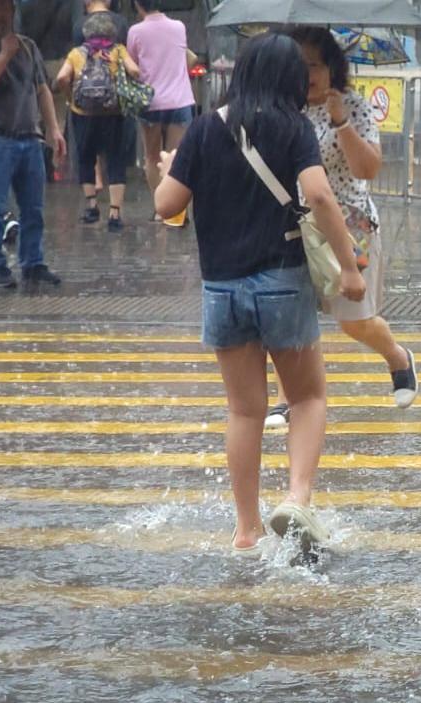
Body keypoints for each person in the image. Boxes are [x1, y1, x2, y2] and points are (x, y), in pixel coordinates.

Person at [155, 32, 366, 557]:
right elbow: (317, 193)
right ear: (290, 79)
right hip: (280, 282)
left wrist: (167, 170)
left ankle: (245, 530)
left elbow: (165, 205)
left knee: (245, 412)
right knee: (308, 397)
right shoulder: (292, 127)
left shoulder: (204, 129)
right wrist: (349, 266)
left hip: (221, 289)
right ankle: (296, 498)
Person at [262, 27, 417, 428]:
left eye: (314, 64)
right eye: (298, 64)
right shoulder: (282, 109)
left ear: (333, 67)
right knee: (290, 314)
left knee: (354, 321)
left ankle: (398, 358)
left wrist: (341, 122)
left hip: (349, 224)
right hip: (296, 224)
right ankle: (285, 397)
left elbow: (368, 169)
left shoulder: (354, 106)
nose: (307, 73)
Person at [0, 0, 67, 291]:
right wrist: (4, 56)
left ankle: (33, 263)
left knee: (33, 208)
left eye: (4, 8)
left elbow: (42, 89)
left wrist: (54, 129)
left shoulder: (28, 46)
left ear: (13, 11)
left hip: (29, 139)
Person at [54, 11, 140, 232]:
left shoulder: (76, 53)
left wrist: (70, 96)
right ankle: (114, 213)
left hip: (83, 114)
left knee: (85, 158)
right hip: (113, 114)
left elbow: (62, 78)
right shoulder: (118, 50)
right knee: (115, 161)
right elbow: (135, 71)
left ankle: (92, 207)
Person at [129, 0, 195, 221]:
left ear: (138, 5)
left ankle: (160, 209)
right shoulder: (179, 26)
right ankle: (177, 210)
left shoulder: (135, 31)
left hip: (150, 102)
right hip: (179, 99)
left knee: (151, 156)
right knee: (176, 156)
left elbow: (133, 67)